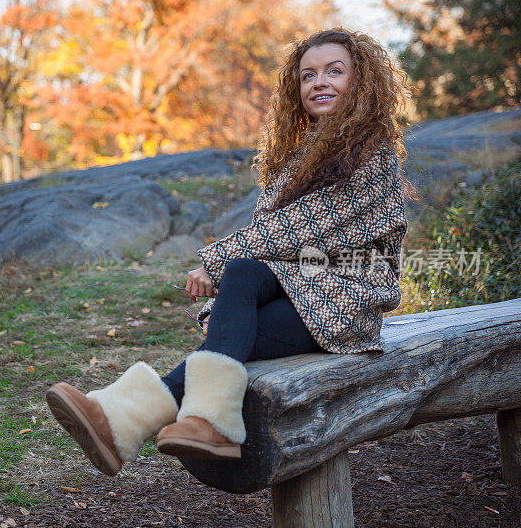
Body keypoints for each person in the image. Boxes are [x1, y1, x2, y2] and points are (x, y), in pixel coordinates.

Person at [45, 28, 414, 477]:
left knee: (234, 303)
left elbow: (302, 227)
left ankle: (125, 420)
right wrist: (228, 266)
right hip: (305, 295)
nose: (319, 82)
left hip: (349, 302)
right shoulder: (297, 155)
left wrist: (212, 261)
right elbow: (271, 238)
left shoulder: (371, 153)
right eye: (308, 75)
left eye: (335, 72)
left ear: (362, 81)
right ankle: (189, 423)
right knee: (237, 308)